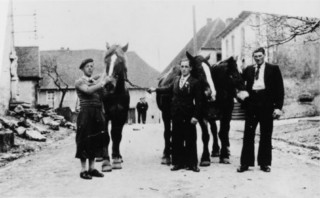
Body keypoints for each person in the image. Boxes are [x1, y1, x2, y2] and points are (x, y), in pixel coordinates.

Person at [149, 58, 202, 172]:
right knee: (177, 138)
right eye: (182, 67)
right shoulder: (176, 80)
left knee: (190, 139)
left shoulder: (195, 82)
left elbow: (199, 102)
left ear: (190, 68)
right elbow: (167, 89)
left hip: (189, 115)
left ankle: (192, 164)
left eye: (186, 67)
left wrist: (196, 116)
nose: (184, 69)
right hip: (176, 114)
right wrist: (155, 90)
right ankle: (177, 163)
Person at [237, 47, 284, 173]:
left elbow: (280, 89)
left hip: (267, 104)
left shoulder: (273, 69)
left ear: (264, 55)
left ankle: (264, 164)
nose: (258, 58)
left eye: (260, 56)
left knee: (266, 135)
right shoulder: (248, 69)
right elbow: (240, 84)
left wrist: (278, 108)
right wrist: (243, 97)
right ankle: (245, 163)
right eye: (255, 56)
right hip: (252, 104)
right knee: (248, 135)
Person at [75, 58, 112, 179]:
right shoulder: (79, 82)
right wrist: (102, 83)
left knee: (96, 140)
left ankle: (92, 168)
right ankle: (83, 170)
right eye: (87, 66)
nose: (90, 68)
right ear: (82, 69)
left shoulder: (95, 82)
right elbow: (88, 91)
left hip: (97, 113)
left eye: (92, 66)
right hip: (85, 113)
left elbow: (104, 95)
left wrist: (107, 85)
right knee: (84, 140)